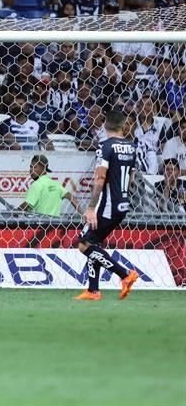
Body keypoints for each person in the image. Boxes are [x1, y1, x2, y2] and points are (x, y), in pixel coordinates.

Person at [74, 109, 141, 301]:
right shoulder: (131, 147)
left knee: (83, 244)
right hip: (122, 203)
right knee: (94, 243)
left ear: (104, 125)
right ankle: (93, 290)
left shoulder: (105, 147)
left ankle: (125, 274)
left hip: (107, 204)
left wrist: (91, 208)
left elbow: (100, 178)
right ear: (124, 126)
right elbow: (132, 176)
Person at [17, 154, 82, 216]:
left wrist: (15, 212)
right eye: (31, 167)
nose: (31, 170)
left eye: (35, 167)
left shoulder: (37, 184)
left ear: (43, 168)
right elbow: (72, 198)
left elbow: (27, 205)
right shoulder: (56, 184)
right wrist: (83, 214)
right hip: (55, 223)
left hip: (39, 222)